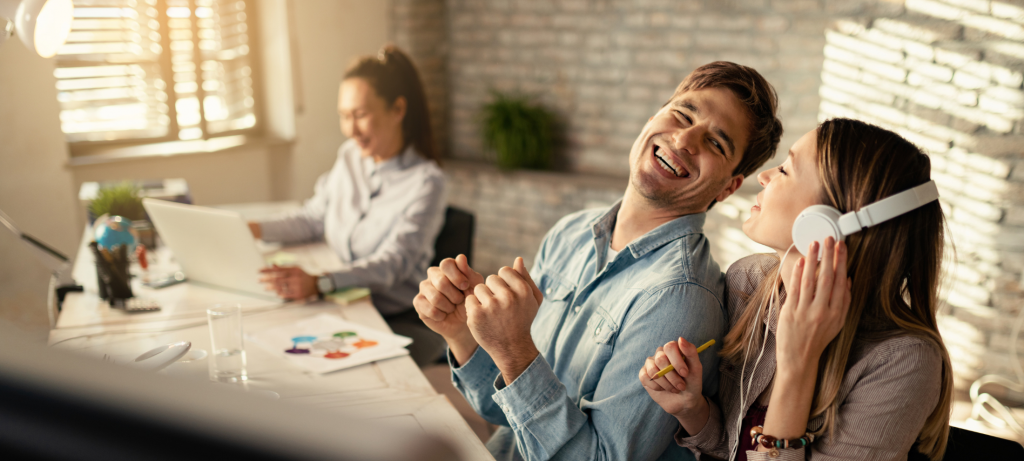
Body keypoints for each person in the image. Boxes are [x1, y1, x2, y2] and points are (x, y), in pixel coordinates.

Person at [414, 61, 784, 461]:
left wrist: (514, 352)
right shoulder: (571, 232)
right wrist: (462, 334)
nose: (684, 139)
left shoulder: (679, 298)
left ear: (728, 188)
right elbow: (511, 413)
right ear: (652, 119)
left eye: (716, 143)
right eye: (682, 114)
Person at [639, 119, 953, 461]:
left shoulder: (903, 362)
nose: (764, 176)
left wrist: (797, 365)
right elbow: (732, 450)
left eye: (785, 170)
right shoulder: (748, 283)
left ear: (827, 222)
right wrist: (692, 409)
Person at [252, 45, 447, 366]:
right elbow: (313, 217)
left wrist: (321, 282)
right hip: (339, 301)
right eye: (344, 116)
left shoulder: (427, 182)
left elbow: (392, 263)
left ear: (398, 109)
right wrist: (252, 229)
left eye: (360, 115)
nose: (350, 130)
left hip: (394, 318)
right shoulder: (349, 157)